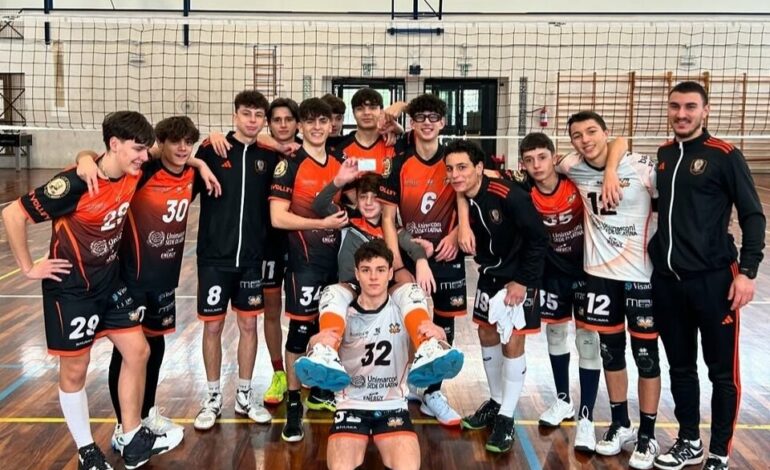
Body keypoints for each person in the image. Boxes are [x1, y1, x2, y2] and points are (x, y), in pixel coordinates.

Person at [2, 111, 182, 470]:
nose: (144, 157)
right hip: (72, 291)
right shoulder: (74, 185)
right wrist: (28, 267)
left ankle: (131, 437)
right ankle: (86, 451)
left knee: (138, 351)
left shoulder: (132, 172)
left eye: (145, 150)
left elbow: (172, 154)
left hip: (109, 283)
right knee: (75, 370)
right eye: (137, 149)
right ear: (114, 144)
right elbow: (12, 214)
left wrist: (86, 154)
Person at [605, 81, 766, 470]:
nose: (682, 114)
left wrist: (747, 272)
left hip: (714, 281)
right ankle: (689, 440)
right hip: (668, 283)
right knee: (680, 367)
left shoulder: (725, 155)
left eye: (690, 107)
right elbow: (622, 149)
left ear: (705, 111)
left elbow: (753, 216)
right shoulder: (663, 154)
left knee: (722, 372)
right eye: (675, 106)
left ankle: (719, 452)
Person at [75, 116, 210, 451]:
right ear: (158, 144)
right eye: (175, 141)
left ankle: (147, 413)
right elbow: (100, 159)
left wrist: (199, 163)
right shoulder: (142, 171)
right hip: (130, 277)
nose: (183, 148)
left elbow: (189, 160)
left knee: (156, 345)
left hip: (163, 278)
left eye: (188, 143)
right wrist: (83, 158)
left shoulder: (192, 175)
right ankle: (124, 424)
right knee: (128, 352)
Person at [557, 111, 661, 469]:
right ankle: (621, 424)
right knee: (611, 355)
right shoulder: (572, 166)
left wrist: (613, 169)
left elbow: (623, 144)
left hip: (641, 276)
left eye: (591, 132)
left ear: (606, 133)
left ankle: (648, 434)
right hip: (600, 277)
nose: (585, 140)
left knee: (646, 357)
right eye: (577, 135)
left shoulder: (642, 169)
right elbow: (546, 166)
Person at [302, 241, 446, 470]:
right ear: (357, 274)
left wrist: (435, 338)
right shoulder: (342, 312)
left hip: (393, 405)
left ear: (390, 273)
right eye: (366, 270)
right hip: (351, 405)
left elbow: (416, 353)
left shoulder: (404, 309)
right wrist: (314, 344)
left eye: (380, 270)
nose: (373, 277)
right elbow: (312, 365)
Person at [444, 139, 549, 453]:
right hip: (490, 275)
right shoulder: (466, 193)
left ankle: (506, 417)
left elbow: (538, 239)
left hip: (519, 277)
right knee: (486, 333)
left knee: (513, 340)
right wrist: (461, 227)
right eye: (450, 169)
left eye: (462, 167)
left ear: (479, 168)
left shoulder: (509, 195)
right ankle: (496, 401)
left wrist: (522, 282)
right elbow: (462, 192)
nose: (455, 174)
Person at [192, 90, 280, 431]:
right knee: (212, 327)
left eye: (258, 115)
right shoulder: (211, 150)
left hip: (252, 260)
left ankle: (244, 394)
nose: (252, 120)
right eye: (246, 114)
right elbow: (176, 162)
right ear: (235, 116)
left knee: (249, 326)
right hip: (214, 258)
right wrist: (199, 160)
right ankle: (213, 397)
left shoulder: (269, 157)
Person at [379, 93, 466, 426]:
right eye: (420, 117)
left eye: (433, 117)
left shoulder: (454, 160)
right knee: (404, 320)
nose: (427, 123)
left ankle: (432, 391)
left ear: (443, 122)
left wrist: (454, 235)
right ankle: (402, 386)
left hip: (446, 251)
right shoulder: (398, 162)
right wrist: (398, 264)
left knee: (444, 322)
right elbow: (388, 218)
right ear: (411, 123)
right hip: (408, 253)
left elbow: (468, 199)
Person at [517, 132, 603, 452]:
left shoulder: (575, 182)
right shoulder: (525, 193)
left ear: (554, 158)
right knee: (555, 336)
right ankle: (563, 401)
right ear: (523, 164)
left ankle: (587, 417)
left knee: (587, 341)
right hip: (552, 275)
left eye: (542, 157)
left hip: (587, 272)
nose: (537, 165)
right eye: (529, 160)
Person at [269, 97, 349, 442]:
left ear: (332, 125)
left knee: (329, 330)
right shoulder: (289, 165)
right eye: (310, 121)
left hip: (336, 264)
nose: (317, 127)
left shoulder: (339, 164)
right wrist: (322, 223)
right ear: (300, 126)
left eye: (323, 121)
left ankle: (320, 391)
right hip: (304, 264)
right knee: (300, 335)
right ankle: (293, 404)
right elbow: (278, 217)